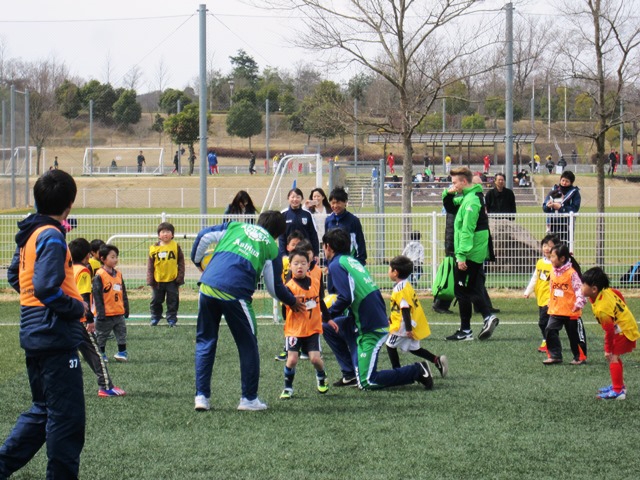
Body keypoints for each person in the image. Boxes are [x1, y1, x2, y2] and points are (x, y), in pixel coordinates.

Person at [1, 170, 87, 479]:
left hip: (35, 331)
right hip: (53, 334)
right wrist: (77, 305)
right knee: (67, 419)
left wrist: (37, 307)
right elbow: (46, 288)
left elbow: (16, 276)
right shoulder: (51, 235)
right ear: (69, 206)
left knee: (43, 411)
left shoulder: (31, 233)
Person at [191, 211, 306, 412]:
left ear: (259, 221)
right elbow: (274, 287)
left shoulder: (234, 226)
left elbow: (204, 235)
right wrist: (292, 301)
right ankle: (248, 399)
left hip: (207, 286)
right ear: (279, 234)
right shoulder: (271, 246)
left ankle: (201, 397)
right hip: (236, 294)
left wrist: (197, 261)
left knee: (205, 341)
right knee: (248, 345)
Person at [322, 228, 434, 390]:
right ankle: (350, 374)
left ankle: (417, 370)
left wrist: (326, 314)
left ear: (328, 247)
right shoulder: (350, 261)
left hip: (370, 326)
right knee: (328, 328)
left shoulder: (336, 264)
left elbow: (346, 297)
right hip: (364, 319)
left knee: (368, 382)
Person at [442, 167, 499, 341]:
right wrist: (448, 193)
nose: (452, 185)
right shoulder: (469, 197)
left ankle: (471, 327)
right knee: (471, 288)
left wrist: (461, 255)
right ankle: (480, 321)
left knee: (463, 291)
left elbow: (467, 230)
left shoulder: (472, 201)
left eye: (454, 183)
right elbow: (450, 207)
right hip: (473, 251)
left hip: (470, 252)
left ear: (464, 182)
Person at [69, 238, 126, 397]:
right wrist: (88, 319)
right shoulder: (83, 271)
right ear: (88, 255)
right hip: (80, 320)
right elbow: (84, 297)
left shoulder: (67, 269)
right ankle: (106, 387)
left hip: (66, 319)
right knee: (95, 354)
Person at [279, 248, 335, 399]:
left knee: (315, 359)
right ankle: (288, 388)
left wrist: (328, 319)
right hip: (294, 330)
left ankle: (321, 376)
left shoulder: (316, 282)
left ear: (308, 265)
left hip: (312, 328)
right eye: (296, 263)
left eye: (303, 263)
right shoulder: (288, 287)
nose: (299, 266)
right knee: (292, 359)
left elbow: (320, 302)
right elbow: (285, 310)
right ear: (290, 265)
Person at [582, 267, 640, 400]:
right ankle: (618, 385)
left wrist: (607, 349)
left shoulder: (603, 309)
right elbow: (617, 293)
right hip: (624, 325)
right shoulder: (605, 291)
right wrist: (622, 309)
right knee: (616, 357)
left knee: (613, 357)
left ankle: (618, 391)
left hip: (623, 330)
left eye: (583, 285)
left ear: (594, 289)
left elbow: (608, 331)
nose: (580, 287)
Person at [386, 255, 448, 377]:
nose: (388, 271)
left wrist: (408, 329)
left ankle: (397, 373)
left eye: (389, 269)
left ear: (395, 272)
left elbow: (405, 309)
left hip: (403, 325)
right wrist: (391, 318)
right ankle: (437, 360)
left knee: (389, 345)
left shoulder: (400, 289)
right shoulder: (406, 285)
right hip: (411, 322)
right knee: (414, 349)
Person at [543, 243, 587, 365]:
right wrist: (550, 301)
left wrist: (579, 302)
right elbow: (552, 288)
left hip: (571, 310)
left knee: (575, 336)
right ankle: (555, 355)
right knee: (550, 330)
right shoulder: (552, 271)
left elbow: (579, 289)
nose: (550, 259)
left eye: (553, 256)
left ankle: (579, 357)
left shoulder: (571, 273)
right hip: (556, 309)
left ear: (562, 258)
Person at [92, 244, 130, 363]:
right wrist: (101, 312)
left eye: (116, 257)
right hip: (106, 314)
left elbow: (123, 292)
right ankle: (101, 353)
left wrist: (126, 307)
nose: (115, 260)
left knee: (121, 333)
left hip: (118, 312)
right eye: (112, 257)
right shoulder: (99, 275)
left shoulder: (118, 274)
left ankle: (122, 352)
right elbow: (97, 295)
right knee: (102, 335)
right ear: (103, 259)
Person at [523, 234, 559, 355]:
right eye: (544, 245)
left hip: (551, 299)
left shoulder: (556, 265)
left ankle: (546, 341)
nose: (546, 248)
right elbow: (535, 277)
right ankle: (551, 341)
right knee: (547, 322)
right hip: (541, 297)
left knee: (543, 322)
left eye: (549, 246)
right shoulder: (539, 262)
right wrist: (528, 291)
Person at [148, 222, 185, 327]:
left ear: (172, 234)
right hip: (158, 280)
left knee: (173, 301)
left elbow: (181, 262)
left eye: (168, 232)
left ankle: (172, 319)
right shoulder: (153, 248)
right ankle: (155, 317)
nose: (165, 234)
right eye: (163, 232)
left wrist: (180, 277)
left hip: (172, 280)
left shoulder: (175, 246)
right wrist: (150, 280)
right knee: (155, 301)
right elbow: (150, 266)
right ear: (159, 235)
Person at [325, 186, 367, 266]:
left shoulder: (353, 220)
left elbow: (359, 242)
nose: (335, 205)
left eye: (338, 202)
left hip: (349, 262)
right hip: (332, 263)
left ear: (345, 202)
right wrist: (326, 263)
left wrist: (361, 262)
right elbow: (326, 244)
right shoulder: (328, 220)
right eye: (333, 203)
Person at [542, 170, 581, 245]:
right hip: (552, 224)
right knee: (551, 247)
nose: (564, 183)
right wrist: (548, 205)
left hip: (567, 225)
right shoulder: (553, 190)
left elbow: (574, 209)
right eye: (563, 180)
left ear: (571, 183)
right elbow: (544, 207)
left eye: (567, 181)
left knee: (565, 247)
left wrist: (561, 208)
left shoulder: (575, 193)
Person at [279, 188, 319, 259]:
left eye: (298, 197)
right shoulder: (283, 214)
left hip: (305, 252)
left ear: (302, 198)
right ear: (288, 198)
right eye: (293, 197)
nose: (295, 199)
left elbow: (313, 234)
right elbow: (281, 237)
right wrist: (283, 254)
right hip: (289, 253)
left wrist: (316, 253)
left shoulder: (307, 214)